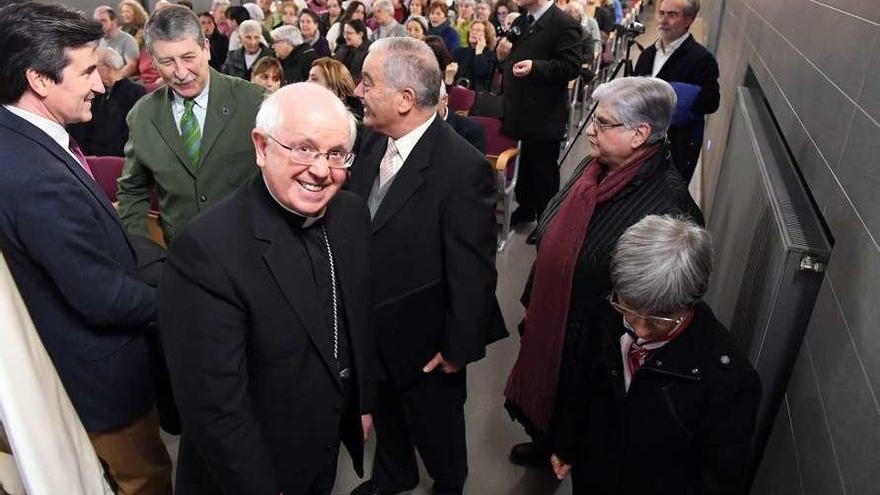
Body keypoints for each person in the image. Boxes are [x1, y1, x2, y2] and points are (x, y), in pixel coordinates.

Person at [161, 82, 375, 495]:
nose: (320, 170)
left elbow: (356, 319)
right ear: (261, 147)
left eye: (335, 155)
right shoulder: (207, 248)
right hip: (249, 471)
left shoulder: (350, 215)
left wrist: (360, 402)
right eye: (304, 148)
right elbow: (214, 407)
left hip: (321, 447)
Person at [0, 3, 171, 494]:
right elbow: (101, 297)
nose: (101, 84)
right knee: (145, 479)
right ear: (39, 79)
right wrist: (186, 301)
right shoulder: (34, 178)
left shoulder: (23, 141)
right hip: (100, 382)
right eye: (88, 71)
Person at [503, 77, 703, 468]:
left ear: (640, 133)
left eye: (604, 122)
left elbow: (655, 304)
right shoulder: (592, 166)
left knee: (581, 413)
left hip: (598, 342)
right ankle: (545, 441)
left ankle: (566, 450)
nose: (590, 128)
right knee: (547, 395)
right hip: (554, 316)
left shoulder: (668, 203)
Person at [347, 37, 505, 495]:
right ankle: (394, 475)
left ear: (405, 99)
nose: (359, 90)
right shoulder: (375, 144)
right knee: (389, 419)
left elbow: (473, 271)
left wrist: (458, 349)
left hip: (427, 344)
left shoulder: (463, 168)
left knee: (438, 432)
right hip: (375, 329)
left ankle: (448, 483)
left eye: (368, 82)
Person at [550, 214, 761, 494]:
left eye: (658, 318)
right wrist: (567, 442)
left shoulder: (729, 380)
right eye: (630, 310)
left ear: (689, 302)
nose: (640, 329)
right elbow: (579, 383)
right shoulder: (605, 314)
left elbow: (719, 479)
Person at [117, 6, 265, 244]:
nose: (181, 72)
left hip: (251, 253)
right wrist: (142, 253)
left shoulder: (254, 102)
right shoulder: (142, 116)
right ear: (153, 62)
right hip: (182, 258)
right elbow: (132, 191)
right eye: (167, 61)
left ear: (206, 49)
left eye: (188, 58)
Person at [495, 0, 582, 243]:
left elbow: (570, 66)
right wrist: (501, 55)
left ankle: (547, 221)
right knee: (523, 167)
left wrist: (536, 68)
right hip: (518, 107)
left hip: (543, 112)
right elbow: (510, 52)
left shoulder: (564, 24)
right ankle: (526, 208)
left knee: (542, 170)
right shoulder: (523, 19)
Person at [633, 0, 720, 183]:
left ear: (689, 19)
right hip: (639, 146)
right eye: (661, 13)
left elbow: (711, 101)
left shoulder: (701, 59)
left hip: (674, 151)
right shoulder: (647, 55)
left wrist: (676, 97)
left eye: (672, 15)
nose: (663, 20)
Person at [68, 47, 146, 157]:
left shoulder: (135, 93)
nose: (91, 74)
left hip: (119, 160)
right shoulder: (96, 93)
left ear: (107, 68)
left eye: (94, 68)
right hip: (87, 158)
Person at [94, 6, 140, 78]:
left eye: (103, 20)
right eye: (97, 21)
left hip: (121, 83)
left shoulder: (128, 40)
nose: (99, 25)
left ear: (114, 21)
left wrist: (112, 78)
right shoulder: (97, 41)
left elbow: (131, 66)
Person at [437, 82, 484, 152]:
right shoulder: (416, 125)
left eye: (429, 102)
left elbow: (474, 162)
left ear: (445, 100)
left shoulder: (472, 131)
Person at [451, 19, 496, 91]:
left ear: (486, 36)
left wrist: (479, 51)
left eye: (478, 30)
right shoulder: (459, 52)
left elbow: (480, 72)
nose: (473, 32)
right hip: (458, 91)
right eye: (472, 29)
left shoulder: (490, 55)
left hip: (478, 95)